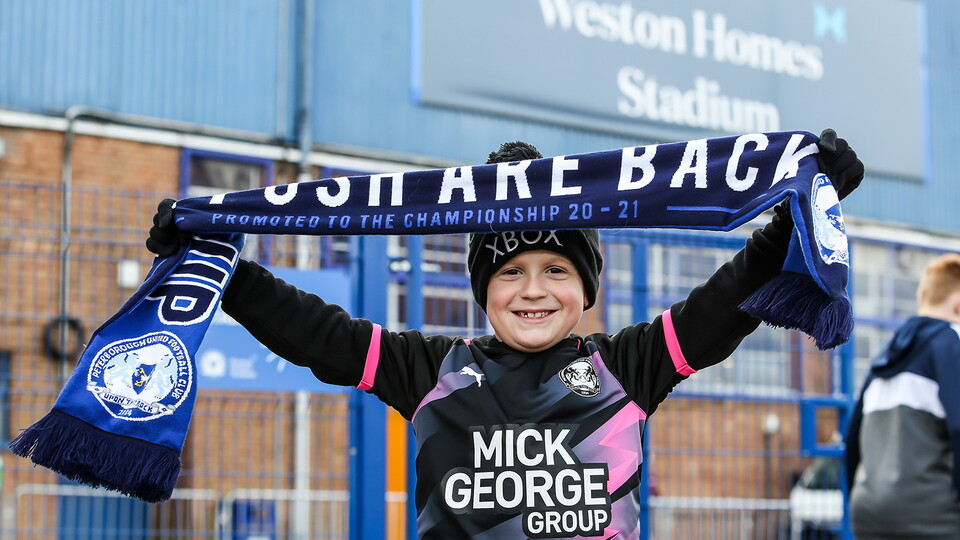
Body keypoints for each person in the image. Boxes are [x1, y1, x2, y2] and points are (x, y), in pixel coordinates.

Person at [148, 130, 863, 539]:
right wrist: (225, 271)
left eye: (556, 268)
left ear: (587, 287)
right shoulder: (430, 369)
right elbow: (318, 335)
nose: (532, 290)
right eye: (509, 270)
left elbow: (725, 302)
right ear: (481, 288)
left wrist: (797, 212)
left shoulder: (628, 366)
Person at [844, 253, 960, 540]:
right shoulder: (950, 342)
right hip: (931, 517)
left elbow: (851, 440)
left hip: (869, 514)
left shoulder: (886, 356)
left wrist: (859, 500)